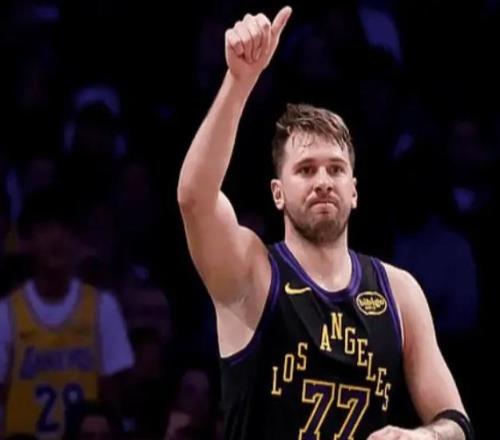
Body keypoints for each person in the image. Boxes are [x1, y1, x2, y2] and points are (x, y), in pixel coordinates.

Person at [177, 5, 474, 440]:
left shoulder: (400, 292)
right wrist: (239, 82)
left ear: (354, 190)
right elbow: (195, 198)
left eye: (335, 169)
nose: (322, 181)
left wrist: (422, 437)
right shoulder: (252, 273)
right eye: (305, 169)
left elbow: (457, 423)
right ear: (277, 192)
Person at [0, 187, 134, 439]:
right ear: (27, 241)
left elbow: (114, 399)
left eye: (65, 228)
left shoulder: (103, 307)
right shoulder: (6, 314)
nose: (57, 238)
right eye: (45, 229)